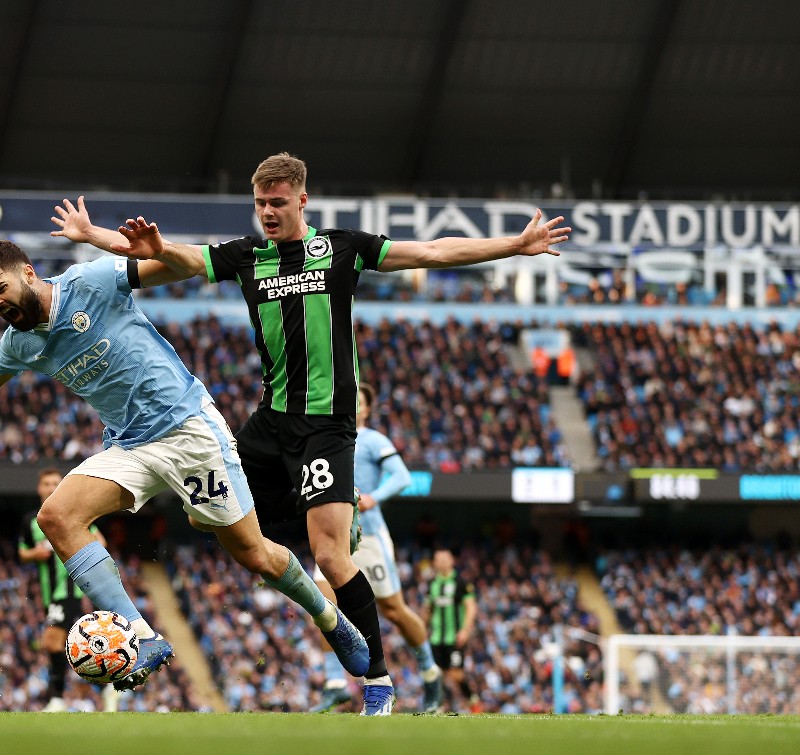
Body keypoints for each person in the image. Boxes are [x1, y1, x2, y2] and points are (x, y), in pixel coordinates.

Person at [50, 152, 569, 715]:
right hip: (269, 422)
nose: (267, 213)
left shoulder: (342, 247)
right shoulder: (247, 257)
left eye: (277, 202)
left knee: (331, 555)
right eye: (259, 204)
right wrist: (93, 236)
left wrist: (513, 246)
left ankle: (377, 681)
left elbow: (434, 251)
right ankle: (325, 546)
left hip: (325, 426)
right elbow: (169, 254)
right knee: (211, 519)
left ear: (302, 200)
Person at [0, 237, 370, 692]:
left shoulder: (90, 281)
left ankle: (329, 617)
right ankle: (142, 637)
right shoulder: (21, 341)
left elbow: (173, 269)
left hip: (188, 431)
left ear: (27, 272)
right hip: (129, 446)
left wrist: (155, 250)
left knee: (255, 555)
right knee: (56, 517)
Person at [309, 385, 443, 713]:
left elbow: (401, 476)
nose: (352, 405)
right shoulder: (326, 440)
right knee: (322, 604)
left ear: (368, 409)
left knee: (394, 611)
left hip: (368, 538)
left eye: (359, 401)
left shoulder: (372, 440)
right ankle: (335, 684)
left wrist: (373, 497)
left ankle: (430, 671)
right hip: (333, 538)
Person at [18, 466, 117, 712]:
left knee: (53, 641)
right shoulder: (31, 521)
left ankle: (58, 698)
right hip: (49, 593)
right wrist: (35, 554)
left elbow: (101, 542)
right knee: (66, 643)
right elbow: (22, 552)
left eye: (55, 483)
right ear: (39, 488)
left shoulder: (71, 515)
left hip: (72, 589)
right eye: (46, 484)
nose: (51, 488)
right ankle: (105, 689)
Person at [424, 548, 477, 711]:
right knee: (436, 674)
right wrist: (423, 627)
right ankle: (438, 705)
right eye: (438, 559)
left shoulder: (461, 583)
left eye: (444, 559)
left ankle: (474, 701)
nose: (441, 562)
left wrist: (465, 630)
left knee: (456, 675)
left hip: (454, 637)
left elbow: (471, 607)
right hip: (436, 637)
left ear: (452, 561)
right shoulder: (432, 584)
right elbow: (428, 608)